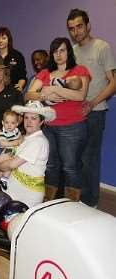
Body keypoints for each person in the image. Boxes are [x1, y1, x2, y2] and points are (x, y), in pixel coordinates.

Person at [25, 37, 91, 201]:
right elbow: (28, 94)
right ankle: (49, 202)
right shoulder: (45, 72)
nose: (59, 54)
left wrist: (54, 89)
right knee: (51, 166)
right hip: (48, 127)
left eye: (62, 50)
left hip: (72, 127)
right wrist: (43, 94)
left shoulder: (79, 70)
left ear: (69, 52)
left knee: (70, 167)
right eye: (55, 51)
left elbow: (80, 95)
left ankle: (72, 204)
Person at [67, 8, 116, 207]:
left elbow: (113, 82)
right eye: (71, 28)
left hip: (95, 113)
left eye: (79, 26)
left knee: (89, 159)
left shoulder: (101, 47)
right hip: (74, 113)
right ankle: (76, 200)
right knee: (74, 159)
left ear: (88, 26)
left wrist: (92, 103)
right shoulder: (72, 51)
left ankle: (91, 203)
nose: (76, 31)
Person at [0, 101, 55, 208]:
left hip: (26, 195)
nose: (29, 122)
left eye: (34, 118)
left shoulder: (38, 141)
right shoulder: (23, 137)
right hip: (11, 188)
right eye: (26, 117)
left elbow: (12, 164)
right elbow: (6, 155)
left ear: (41, 121)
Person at [0, 27, 27, 91]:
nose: (0, 41)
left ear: (9, 40)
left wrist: (19, 86)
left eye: (3, 38)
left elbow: (22, 76)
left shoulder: (17, 55)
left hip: (13, 92)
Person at [0, 110, 23, 188]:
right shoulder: (2, 133)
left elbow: (21, 138)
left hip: (12, 150)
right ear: (3, 123)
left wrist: (20, 141)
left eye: (12, 123)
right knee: (9, 165)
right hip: (2, 150)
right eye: (7, 122)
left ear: (17, 124)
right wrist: (15, 143)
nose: (9, 125)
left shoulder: (16, 131)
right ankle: (3, 178)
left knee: (8, 168)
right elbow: (3, 143)